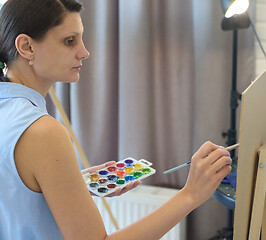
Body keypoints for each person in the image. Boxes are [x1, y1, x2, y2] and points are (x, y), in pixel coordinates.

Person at [0, 0, 232, 239]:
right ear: (26, 46)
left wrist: (70, 183)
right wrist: (190, 195)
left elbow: (14, 192)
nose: (84, 52)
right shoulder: (43, 132)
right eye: (70, 41)